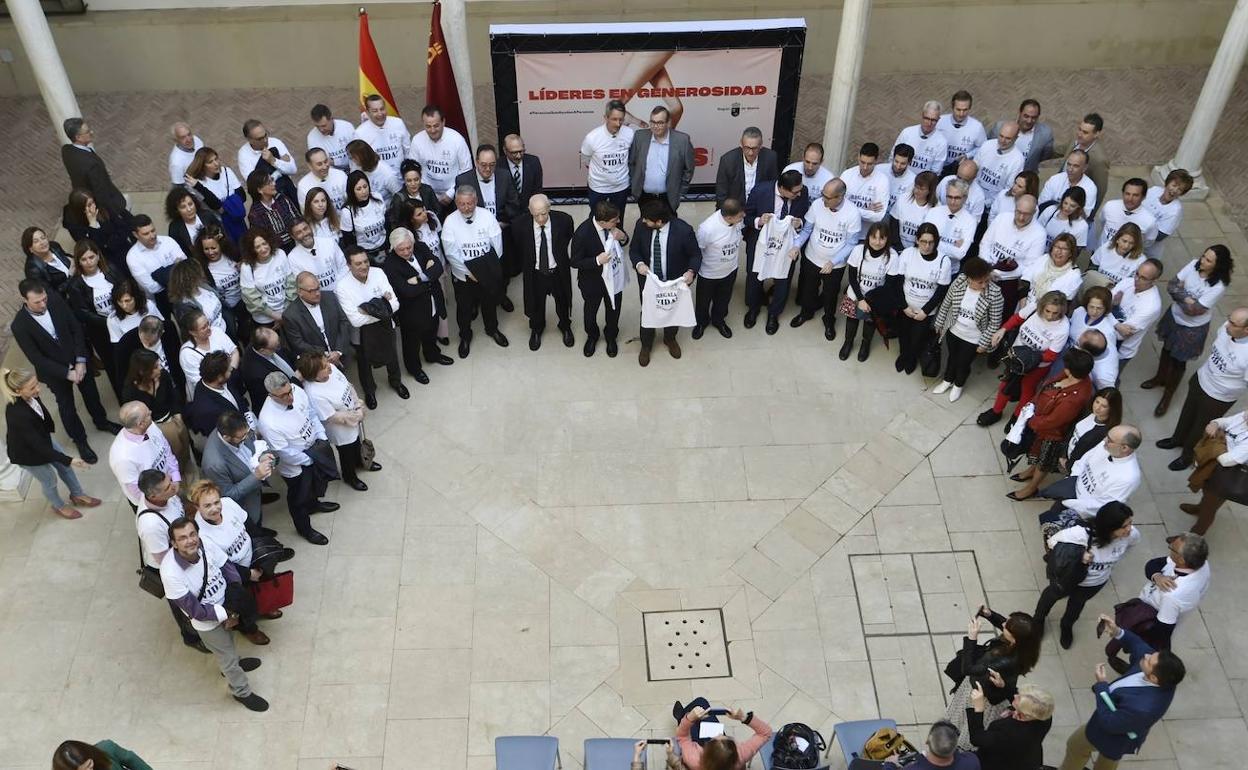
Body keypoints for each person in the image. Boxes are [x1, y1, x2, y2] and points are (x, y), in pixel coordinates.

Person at [160, 516, 270, 711]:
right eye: (182, 538)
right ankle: (241, 692)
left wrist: (234, 606)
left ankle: (235, 663)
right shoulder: (170, 572)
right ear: (174, 543)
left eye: (192, 534)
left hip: (228, 606)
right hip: (209, 623)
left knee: (229, 644)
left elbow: (228, 569)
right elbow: (194, 610)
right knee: (226, 655)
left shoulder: (204, 544)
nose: (190, 540)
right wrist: (227, 614)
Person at [10, 279, 120, 463]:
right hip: (55, 372)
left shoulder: (55, 300)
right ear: (24, 300)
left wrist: (81, 360)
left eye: (44, 299)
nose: (43, 304)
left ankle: (101, 421)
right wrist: (66, 373)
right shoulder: (20, 325)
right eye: (37, 302)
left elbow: (75, 328)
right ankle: (80, 440)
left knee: (91, 394)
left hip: (78, 360)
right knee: (67, 406)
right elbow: (36, 357)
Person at [1058, 614, 1184, 770]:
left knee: (1076, 746)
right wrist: (1117, 631)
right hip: (1124, 729)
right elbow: (1138, 645)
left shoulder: (1143, 708)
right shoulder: (1162, 676)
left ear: (1153, 678)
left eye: (1149, 661)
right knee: (1108, 762)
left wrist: (1102, 685)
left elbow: (1109, 722)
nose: (1146, 655)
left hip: (1112, 735)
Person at [1144, 246, 1234, 419]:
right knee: (1166, 349)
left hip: (1193, 328)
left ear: (1218, 266)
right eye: (1204, 256)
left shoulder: (1219, 286)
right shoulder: (1193, 264)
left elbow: (1194, 311)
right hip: (1174, 316)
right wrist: (1187, 298)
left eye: (1208, 260)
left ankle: (1167, 396)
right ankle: (1159, 378)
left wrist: (1181, 294)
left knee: (1179, 362)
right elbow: (1171, 285)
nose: (1202, 261)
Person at [1037, 501, 1140, 648]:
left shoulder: (1132, 535)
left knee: (1077, 605)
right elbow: (1053, 541)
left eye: (1130, 523)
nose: (1129, 529)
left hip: (1094, 583)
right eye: (1124, 526)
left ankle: (1066, 625)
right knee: (1052, 595)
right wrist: (1079, 554)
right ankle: (1038, 619)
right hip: (1068, 578)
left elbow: (1130, 547)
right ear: (1109, 526)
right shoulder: (1081, 533)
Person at [1158, 305, 1248, 469]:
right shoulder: (1226, 328)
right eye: (1229, 319)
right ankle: (1177, 439)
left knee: (1201, 427)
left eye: (1233, 323)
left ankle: (1187, 456)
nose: (1227, 324)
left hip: (1218, 396)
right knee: (1187, 413)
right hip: (1201, 379)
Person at [1106, 533, 1210, 673]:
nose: (1170, 546)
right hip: (1164, 608)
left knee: (1144, 653)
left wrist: (1141, 638)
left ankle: (1136, 669)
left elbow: (1163, 630)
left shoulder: (1172, 595)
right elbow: (1153, 564)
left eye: (1172, 548)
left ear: (1181, 560)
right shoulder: (1200, 563)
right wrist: (1157, 576)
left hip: (1153, 616)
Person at [2, 368, 98, 519]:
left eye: (36, 384)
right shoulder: (18, 415)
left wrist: (65, 460)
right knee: (49, 480)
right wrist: (70, 459)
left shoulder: (30, 396)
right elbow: (39, 447)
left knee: (64, 467)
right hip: (27, 454)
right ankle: (58, 506)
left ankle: (77, 494)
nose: (38, 389)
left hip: (41, 439)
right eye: (32, 388)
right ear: (18, 391)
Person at [943, 606, 1043, 749]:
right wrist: (990, 615)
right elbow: (1007, 626)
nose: (1003, 624)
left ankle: (959, 744)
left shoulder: (1002, 660)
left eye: (1006, 626)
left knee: (965, 719)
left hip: (981, 693)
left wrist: (971, 639)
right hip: (991, 687)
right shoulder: (1025, 646)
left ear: (1014, 639)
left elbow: (968, 669)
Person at [258, 372, 338, 545]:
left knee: (316, 483)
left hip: (314, 448)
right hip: (295, 466)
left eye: (290, 391)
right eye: (283, 396)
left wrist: (321, 436)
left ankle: (314, 504)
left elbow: (311, 413)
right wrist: (311, 459)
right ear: (271, 396)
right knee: (298, 498)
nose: (290, 397)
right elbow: (285, 453)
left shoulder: (296, 391)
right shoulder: (268, 421)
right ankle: (305, 529)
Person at [1007, 350, 1095, 500]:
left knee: (1044, 462)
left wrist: (1032, 422)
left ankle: (1031, 488)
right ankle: (1030, 472)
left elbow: (1054, 420)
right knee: (1037, 455)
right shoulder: (1070, 376)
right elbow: (1045, 388)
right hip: (1041, 424)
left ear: (1071, 370)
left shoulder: (1075, 398)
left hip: (1052, 434)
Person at [133, 469, 204, 652]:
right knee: (182, 604)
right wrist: (190, 568)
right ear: (153, 496)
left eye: (170, 480)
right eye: (168, 486)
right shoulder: (151, 525)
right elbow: (164, 559)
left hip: (185, 552)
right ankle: (191, 637)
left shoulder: (167, 496)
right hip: (170, 565)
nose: (174, 486)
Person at [631, 199, 701, 366]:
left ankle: (670, 339)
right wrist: (639, 264)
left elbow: (695, 255)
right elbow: (634, 250)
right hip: (649, 281)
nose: (643, 221)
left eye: (647, 219)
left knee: (672, 310)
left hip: (673, 281)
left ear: (659, 221)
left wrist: (691, 271)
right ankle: (646, 344)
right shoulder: (641, 226)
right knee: (648, 311)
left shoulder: (684, 231)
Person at [336, 246, 409, 407]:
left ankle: (396, 382)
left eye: (365, 261)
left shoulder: (378, 273)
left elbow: (395, 305)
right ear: (348, 266)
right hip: (361, 333)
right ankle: (369, 391)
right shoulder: (342, 287)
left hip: (386, 325)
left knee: (392, 355)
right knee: (364, 363)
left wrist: (366, 308)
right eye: (358, 263)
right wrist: (382, 304)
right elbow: (356, 321)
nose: (364, 266)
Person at [442, 185, 509, 357]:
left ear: (476, 201)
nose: (466, 208)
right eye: (462, 204)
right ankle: (465, 336)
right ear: (456, 202)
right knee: (463, 308)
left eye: (469, 203)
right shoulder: (450, 221)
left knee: (489, 304)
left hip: (486, 271)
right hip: (463, 275)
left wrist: (486, 270)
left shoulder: (487, 216)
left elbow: (497, 246)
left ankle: (492, 329)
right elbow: (451, 253)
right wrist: (468, 272)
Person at [743, 169, 812, 333]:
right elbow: (746, 217)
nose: (799, 194)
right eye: (795, 192)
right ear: (782, 188)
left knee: (784, 278)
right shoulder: (760, 190)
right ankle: (753, 308)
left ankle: (774, 313)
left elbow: (805, 216)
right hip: (761, 242)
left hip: (787, 245)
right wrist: (759, 221)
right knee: (754, 274)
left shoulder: (803, 192)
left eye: (800, 190)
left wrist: (799, 223)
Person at [300, 351, 379, 492]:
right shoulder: (314, 393)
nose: (329, 366)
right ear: (315, 375)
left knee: (357, 443)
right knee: (346, 453)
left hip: (354, 414)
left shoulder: (332, 369)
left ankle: (361, 461)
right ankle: (350, 476)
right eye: (324, 366)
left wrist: (358, 404)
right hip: (341, 429)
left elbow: (348, 385)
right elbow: (332, 416)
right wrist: (357, 416)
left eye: (326, 362)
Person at [792, 179, 861, 340]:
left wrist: (833, 262)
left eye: (827, 197)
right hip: (812, 257)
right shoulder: (817, 205)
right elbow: (807, 230)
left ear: (840, 197)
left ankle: (829, 320)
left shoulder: (852, 213)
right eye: (823, 194)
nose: (823, 199)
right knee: (808, 289)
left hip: (834, 265)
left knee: (830, 295)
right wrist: (796, 246)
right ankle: (806, 313)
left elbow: (851, 243)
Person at [931, 257, 1004, 402]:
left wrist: (983, 343)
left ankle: (958, 385)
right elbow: (947, 303)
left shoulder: (995, 293)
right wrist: (939, 323)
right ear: (969, 278)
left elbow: (995, 322)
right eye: (980, 282)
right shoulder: (959, 282)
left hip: (973, 337)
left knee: (963, 363)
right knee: (952, 357)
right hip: (954, 330)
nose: (984, 285)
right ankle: (947, 380)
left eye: (986, 281)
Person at [383, 228, 454, 376]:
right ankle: (414, 369)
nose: (406, 252)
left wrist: (419, 279)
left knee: (432, 331)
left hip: (433, 301)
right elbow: (406, 291)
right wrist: (429, 277)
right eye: (401, 249)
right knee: (411, 343)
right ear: (393, 247)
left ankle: (432, 355)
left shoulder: (421, 247)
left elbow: (438, 267)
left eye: (409, 247)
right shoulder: (390, 264)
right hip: (412, 310)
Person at [456, 144, 522, 300]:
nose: (488, 169)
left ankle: (502, 295)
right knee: (478, 267)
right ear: (476, 162)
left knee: (502, 266)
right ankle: (477, 301)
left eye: (492, 165)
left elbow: (514, 204)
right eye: (484, 165)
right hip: (474, 233)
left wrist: (500, 223)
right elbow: (461, 208)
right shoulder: (463, 179)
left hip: (501, 229)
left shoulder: (504, 176)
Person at [510, 195, 575, 350]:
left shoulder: (564, 220)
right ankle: (537, 329)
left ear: (549, 208)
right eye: (536, 215)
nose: (540, 219)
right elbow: (519, 247)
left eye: (543, 214)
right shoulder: (519, 225)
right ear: (529, 211)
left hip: (557, 271)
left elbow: (567, 238)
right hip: (535, 273)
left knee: (563, 301)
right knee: (536, 303)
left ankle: (565, 325)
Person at [888, 222, 953, 374]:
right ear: (917, 240)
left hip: (925, 311)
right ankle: (903, 355)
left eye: (931, 242)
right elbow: (898, 282)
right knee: (903, 334)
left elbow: (941, 291)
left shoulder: (944, 261)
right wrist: (904, 306)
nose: (927, 246)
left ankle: (911, 359)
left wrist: (925, 311)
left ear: (936, 242)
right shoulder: (908, 254)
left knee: (917, 338)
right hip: (906, 306)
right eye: (923, 241)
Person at [192, 478, 291, 576]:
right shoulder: (201, 535)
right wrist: (249, 575)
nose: (214, 509)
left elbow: (250, 526)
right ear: (197, 507)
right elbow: (225, 567)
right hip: (238, 569)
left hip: (252, 549)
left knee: (271, 551)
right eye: (207, 506)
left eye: (216, 502)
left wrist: (267, 547)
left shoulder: (228, 503)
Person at [1040, 425, 1142, 520]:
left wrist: (1071, 503)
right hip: (1071, 489)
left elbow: (1104, 505)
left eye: (1110, 440)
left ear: (1124, 448)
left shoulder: (1129, 477)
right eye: (1107, 436)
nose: (1104, 440)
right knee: (1049, 518)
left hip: (1082, 513)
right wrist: (1072, 479)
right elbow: (1084, 460)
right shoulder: (1106, 445)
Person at [200, 409, 277, 534]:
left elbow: (253, 443)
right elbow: (228, 495)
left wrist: (261, 456)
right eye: (242, 437)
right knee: (253, 530)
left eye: (247, 433)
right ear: (226, 437)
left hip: (254, 496)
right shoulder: (214, 464)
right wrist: (256, 476)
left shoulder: (238, 429)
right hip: (244, 506)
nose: (246, 438)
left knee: (258, 519)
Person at [571, 200, 630, 358]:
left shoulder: (613, 224)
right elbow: (575, 262)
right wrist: (597, 260)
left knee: (614, 310)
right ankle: (592, 336)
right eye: (614, 220)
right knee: (590, 313)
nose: (618, 221)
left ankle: (611, 336)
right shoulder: (582, 233)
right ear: (603, 222)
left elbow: (624, 239)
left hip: (615, 278)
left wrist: (623, 237)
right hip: (592, 282)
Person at [65, 239, 124, 396]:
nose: (89, 262)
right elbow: (83, 313)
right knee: (114, 368)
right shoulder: (76, 285)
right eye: (84, 259)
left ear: (98, 255)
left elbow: (126, 288)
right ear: (78, 262)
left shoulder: (111, 270)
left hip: (125, 323)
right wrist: (110, 322)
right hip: (102, 333)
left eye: (91, 257)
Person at [122, 349, 192, 472]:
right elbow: (135, 419)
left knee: (183, 448)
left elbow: (174, 396)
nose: (160, 368)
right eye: (155, 367)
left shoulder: (163, 376)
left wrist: (177, 416)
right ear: (142, 372)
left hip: (172, 418)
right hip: (151, 428)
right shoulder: (130, 391)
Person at [1181, 410, 1248, 534]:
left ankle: (1195, 535)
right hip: (1216, 467)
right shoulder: (1243, 417)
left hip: (1227, 476)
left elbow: (1226, 460)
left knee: (1210, 507)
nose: (1246, 413)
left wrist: (1216, 442)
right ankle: (1199, 508)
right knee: (1207, 493)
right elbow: (1225, 422)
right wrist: (1215, 424)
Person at [839, 222, 896, 362]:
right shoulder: (858, 250)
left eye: (882, 238)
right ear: (868, 237)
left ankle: (865, 344)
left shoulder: (892, 256)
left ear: (887, 239)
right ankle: (848, 342)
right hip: (856, 294)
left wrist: (870, 300)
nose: (877, 242)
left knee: (870, 322)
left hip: (876, 297)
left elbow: (889, 284)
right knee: (852, 319)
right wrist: (861, 299)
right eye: (874, 237)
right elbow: (852, 277)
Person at [980, 195, 1045, 316]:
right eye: (1018, 212)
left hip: (1008, 281)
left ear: (1034, 212)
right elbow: (985, 243)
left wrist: (998, 274)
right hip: (985, 269)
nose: (1021, 217)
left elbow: (1029, 267)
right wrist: (987, 268)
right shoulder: (1002, 218)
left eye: (1026, 214)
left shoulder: (1039, 233)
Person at [966, 682, 1054, 770]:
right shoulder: (1044, 716)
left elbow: (977, 738)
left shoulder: (1009, 733)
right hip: (1028, 758)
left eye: (1019, 698)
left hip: (998, 763)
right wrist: (1004, 686)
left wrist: (978, 709)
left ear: (1024, 713)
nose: (1015, 695)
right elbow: (1025, 702)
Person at [694, 198, 746, 340]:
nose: (743, 218)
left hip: (730, 270)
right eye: (740, 216)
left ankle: (719, 320)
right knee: (703, 301)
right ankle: (701, 322)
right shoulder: (707, 229)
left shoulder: (738, 221)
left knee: (723, 299)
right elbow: (698, 250)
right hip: (709, 273)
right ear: (729, 217)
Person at [629, 104, 696, 213]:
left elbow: (689, 169)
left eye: (660, 122)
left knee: (669, 223)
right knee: (646, 222)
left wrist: (680, 191)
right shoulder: (640, 136)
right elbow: (631, 162)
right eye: (652, 122)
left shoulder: (682, 140)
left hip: (669, 197)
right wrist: (634, 183)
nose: (655, 126)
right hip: (644, 196)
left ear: (668, 123)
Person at [284, 271, 354, 371]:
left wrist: (338, 351)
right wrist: (326, 355)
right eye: (311, 291)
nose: (317, 293)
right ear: (299, 292)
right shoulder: (290, 315)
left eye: (318, 288)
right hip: (317, 365)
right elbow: (298, 343)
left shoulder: (330, 297)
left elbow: (343, 322)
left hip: (341, 356)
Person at [406, 104, 474, 209]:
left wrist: (451, 193)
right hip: (427, 194)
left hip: (455, 194)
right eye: (428, 126)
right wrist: (427, 192)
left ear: (443, 122)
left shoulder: (457, 140)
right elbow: (413, 169)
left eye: (436, 126)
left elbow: (466, 170)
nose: (432, 130)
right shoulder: (417, 140)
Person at [60, 117, 128, 216]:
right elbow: (101, 192)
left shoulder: (66, 150)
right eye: (87, 132)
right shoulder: (92, 165)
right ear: (78, 137)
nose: (91, 132)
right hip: (107, 205)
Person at [580, 99, 636, 216]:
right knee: (596, 218)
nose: (618, 124)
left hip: (621, 186)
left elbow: (632, 156)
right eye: (614, 119)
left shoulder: (630, 134)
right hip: (598, 187)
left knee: (618, 217)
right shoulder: (592, 137)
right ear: (605, 118)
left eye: (621, 119)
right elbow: (585, 158)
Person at [673, 705, 773, 770]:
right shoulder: (741, 755)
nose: (719, 734)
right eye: (727, 738)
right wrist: (744, 718)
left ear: (706, 751)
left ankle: (681, 715)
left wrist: (689, 719)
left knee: (700, 703)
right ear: (735, 754)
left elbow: (682, 737)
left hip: (695, 746)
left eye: (715, 738)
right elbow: (765, 733)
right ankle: (682, 715)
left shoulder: (693, 758)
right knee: (702, 710)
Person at [126, 213, 187, 312]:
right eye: (146, 234)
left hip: (183, 290)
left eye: (153, 230)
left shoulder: (168, 241)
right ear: (135, 235)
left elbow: (185, 267)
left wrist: (160, 276)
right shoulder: (133, 257)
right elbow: (152, 288)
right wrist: (175, 268)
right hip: (159, 300)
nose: (152, 236)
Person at [193, 226, 246, 339]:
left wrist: (243, 265)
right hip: (226, 311)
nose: (210, 252)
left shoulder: (233, 255)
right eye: (206, 249)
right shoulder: (203, 269)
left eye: (213, 248)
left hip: (245, 303)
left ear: (221, 245)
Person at [62, 188, 134, 271]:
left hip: (122, 247)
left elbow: (122, 227)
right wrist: (92, 225)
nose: (93, 207)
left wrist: (108, 244)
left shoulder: (102, 207)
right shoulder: (74, 225)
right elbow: (91, 246)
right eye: (88, 205)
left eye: (92, 202)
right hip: (107, 260)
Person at [184, 350, 252, 438]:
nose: (231, 369)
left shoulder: (223, 379)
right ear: (219, 377)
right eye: (228, 370)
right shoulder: (207, 410)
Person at [1111, 259, 1164, 371]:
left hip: (1119, 351)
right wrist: (1117, 324)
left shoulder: (1151, 306)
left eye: (1143, 278)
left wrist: (1111, 309)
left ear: (1154, 280)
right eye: (1137, 274)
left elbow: (1120, 335)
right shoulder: (1127, 282)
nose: (1136, 280)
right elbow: (1102, 303)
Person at [184, 147, 247, 240]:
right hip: (217, 225)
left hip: (236, 219)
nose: (216, 163)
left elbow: (242, 196)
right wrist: (232, 203)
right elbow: (216, 205)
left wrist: (225, 207)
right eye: (210, 162)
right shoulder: (196, 184)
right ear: (202, 166)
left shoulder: (226, 171)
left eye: (216, 159)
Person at [238, 226, 295, 330]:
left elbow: (291, 284)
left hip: (287, 310)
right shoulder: (247, 267)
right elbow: (251, 298)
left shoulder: (280, 254)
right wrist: (276, 316)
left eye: (264, 243)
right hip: (265, 319)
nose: (263, 249)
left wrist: (285, 314)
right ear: (251, 249)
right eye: (257, 247)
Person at [1016, 233, 1081, 320]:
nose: (1059, 251)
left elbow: (1060, 304)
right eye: (1057, 247)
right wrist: (1023, 310)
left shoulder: (1074, 275)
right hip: (1023, 306)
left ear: (1071, 253)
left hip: (1045, 317)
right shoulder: (1044, 258)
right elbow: (1025, 280)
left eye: (1064, 249)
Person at [179, 308, 239, 398]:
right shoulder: (187, 354)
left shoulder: (216, 331)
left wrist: (230, 373)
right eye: (204, 327)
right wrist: (226, 374)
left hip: (231, 383)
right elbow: (202, 382)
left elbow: (234, 352)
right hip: (211, 395)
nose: (209, 328)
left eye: (208, 323)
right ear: (192, 332)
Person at [716, 126, 779, 207]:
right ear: (741, 144)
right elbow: (721, 193)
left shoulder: (770, 157)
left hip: (759, 206)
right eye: (747, 148)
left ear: (761, 145)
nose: (750, 153)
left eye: (755, 148)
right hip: (735, 207)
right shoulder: (728, 160)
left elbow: (772, 186)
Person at [239, 327, 300, 412]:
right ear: (263, 350)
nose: (279, 346)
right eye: (276, 346)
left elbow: (287, 354)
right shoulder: (256, 373)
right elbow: (280, 394)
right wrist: (297, 379)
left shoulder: (266, 344)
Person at [839, 142, 889, 242]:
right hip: (843, 232)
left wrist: (848, 208)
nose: (865, 167)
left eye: (869, 164)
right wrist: (866, 210)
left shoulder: (882, 181)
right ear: (858, 157)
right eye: (862, 162)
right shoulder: (847, 175)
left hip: (865, 237)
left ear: (876, 160)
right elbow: (837, 205)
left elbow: (878, 216)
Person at [924, 179, 976, 274]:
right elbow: (922, 242)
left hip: (950, 271)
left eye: (957, 198)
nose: (952, 201)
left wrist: (933, 242)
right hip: (926, 265)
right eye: (949, 197)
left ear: (965, 198)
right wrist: (952, 247)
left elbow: (960, 254)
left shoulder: (970, 221)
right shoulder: (933, 212)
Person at [989, 98, 1054, 173]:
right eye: (1026, 116)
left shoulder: (1045, 134)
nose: (1029, 121)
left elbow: (1045, 157)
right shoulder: (1000, 127)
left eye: (1034, 118)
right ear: (1019, 112)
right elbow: (989, 147)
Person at [970, 122, 1024, 212]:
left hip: (991, 205)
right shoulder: (987, 145)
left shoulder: (1018, 159)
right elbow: (974, 168)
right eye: (1001, 136)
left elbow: (1008, 188)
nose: (1002, 141)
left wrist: (988, 203)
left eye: (1008, 138)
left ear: (1016, 138)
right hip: (973, 196)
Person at [339, 169, 391, 262]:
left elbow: (387, 224)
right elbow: (348, 241)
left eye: (365, 186)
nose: (363, 191)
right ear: (352, 191)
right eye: (358, 189)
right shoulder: (347, 211)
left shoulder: (378, 198)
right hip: (364, 253)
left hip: (384, 246)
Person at [1142, 169, 1194, 258]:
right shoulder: (1154, 190)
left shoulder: (1175, 211)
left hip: (1146, 249)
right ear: (1167, 183)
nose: (1175, 190)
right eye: (1174, 185)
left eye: (1180, 189)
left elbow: (1160, 235)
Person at [1095, 179, 1158, 251]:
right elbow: (1102, 222)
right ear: (1123, 193)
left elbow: (1148, 242)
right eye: (1127, 194)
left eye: (1135, 195)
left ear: (1143, 197)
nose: (1130, 199)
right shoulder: (1109, 206)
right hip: (1100, 252)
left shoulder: (1150, 221)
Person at [1066, 113, 1110, 217]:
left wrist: (1090, 216)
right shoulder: (1077, 141)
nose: (1079, 134)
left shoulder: (1099, 160)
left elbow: (1100, 190)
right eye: (1079, 129)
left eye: (1085, 132)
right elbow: (1063, 150)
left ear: (1096, 134)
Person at [245, 170, 301, 250]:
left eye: (272, 180)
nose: (274, 184)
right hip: (274, 251)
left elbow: (296, 219)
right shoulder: (255, 214)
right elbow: (266, 240)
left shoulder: (282, 199)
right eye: (269, 182)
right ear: (260, 190)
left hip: (296, 244)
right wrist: (290, 234)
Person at [236, 118, 296, 191]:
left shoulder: (276, 142)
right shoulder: (244, 155)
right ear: (249, 140)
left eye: (265, 135)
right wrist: (280, 170)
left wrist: (273, 161)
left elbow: (293, 170)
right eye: (259, 139)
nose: (265, 140)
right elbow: (256, 184)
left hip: (289, 188)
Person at [937, 90, 987, 175]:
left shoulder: (977, 127)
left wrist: (968, 155)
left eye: (965, 110)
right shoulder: (940, 121)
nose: (961, 114)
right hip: (939, 168)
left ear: (970, 108)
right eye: (958, 109)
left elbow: (983, 148)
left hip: (960, 171)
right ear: (952, 107)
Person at [892, 101, 948, 175]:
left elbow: (935, 171)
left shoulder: (942, 142)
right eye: (927, 118)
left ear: (938, 119)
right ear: (922, 115)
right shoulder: (907, 132)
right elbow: (893, 156)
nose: (929, 123)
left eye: (933, 120)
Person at [166, 186, 223, 258]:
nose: (189, 209)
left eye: (190, 204)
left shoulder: (207, 215)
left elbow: (223, 234)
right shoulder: (175, 228)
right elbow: (178, 252)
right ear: (176, 210)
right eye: (183, 207)